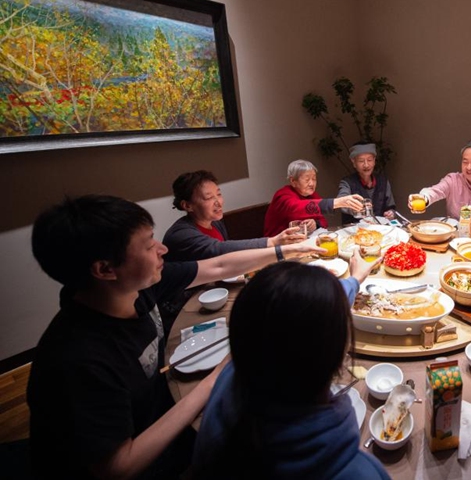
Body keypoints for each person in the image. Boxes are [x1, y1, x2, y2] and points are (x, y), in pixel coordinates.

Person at [26, 194, 324, 480]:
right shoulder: (78, 359)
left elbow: (218, 266)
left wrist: (286, 251)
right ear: (105, 269)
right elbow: (119, 467)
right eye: (147, 246)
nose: (162, 249)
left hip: (161, 405)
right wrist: (212, 381)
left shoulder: (135, 287)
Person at [191, 259, 390, 479]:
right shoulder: (359, 473)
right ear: (337, 353)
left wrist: (354, 280)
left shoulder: (230, 376)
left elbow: (294, 314)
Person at [163, 170, 305, 262]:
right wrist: (273, 242)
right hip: (187, 301)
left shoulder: (215, 222)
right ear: (187, 205)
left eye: (218, 194)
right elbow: (218, 249)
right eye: (208, 198)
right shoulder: (182, 234)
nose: (218, 202)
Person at [263, 159, 366, 237]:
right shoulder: (282, 195)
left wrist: (315, 224)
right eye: (307, 180)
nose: (312, 183)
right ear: (293, 181)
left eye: (314, 179)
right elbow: (296, 208)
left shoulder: (311, 195)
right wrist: (337, 202)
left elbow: (323, 222)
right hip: (277, 247)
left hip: (301, 243)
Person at [337, 142, 397, 224]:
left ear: (374, 161)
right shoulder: (347, 182)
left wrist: (391, 213)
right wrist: (354, 208)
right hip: (355, 231)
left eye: (369, 160)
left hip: (379, 230)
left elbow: (391, 207)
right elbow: (341, 202)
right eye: (361, 161)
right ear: (354, 162)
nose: (366, 165)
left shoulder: (383, 181)